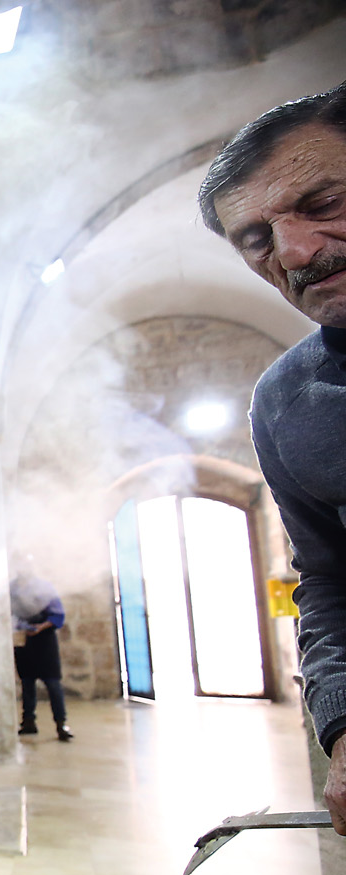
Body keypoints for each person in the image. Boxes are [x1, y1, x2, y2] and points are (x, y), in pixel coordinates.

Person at [199, 80, 346, 835]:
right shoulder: (287, 404)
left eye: (322, 204)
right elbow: (328, 578)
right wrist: (343, 721)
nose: (294, 252)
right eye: (256, 239)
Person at [10, 572, 72, 741]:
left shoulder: (43, 587)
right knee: (27, 683)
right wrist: (22, 626)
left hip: (45, 641)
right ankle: (28, 722)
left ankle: (61, 724)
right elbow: (8, 614)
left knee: (53, 684)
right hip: (24, 641)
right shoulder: (11, 589)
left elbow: (57, 614)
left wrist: (41, 626)